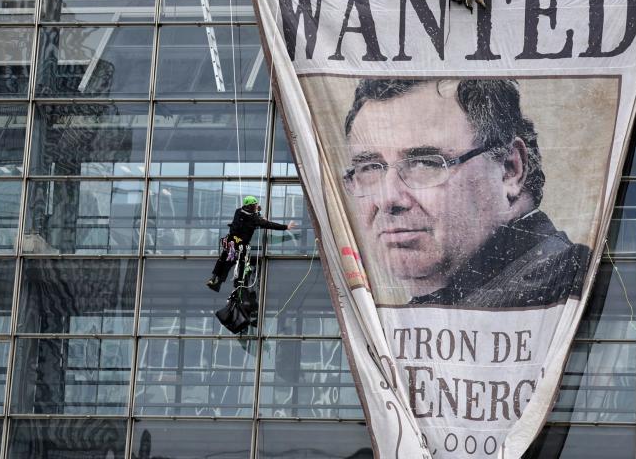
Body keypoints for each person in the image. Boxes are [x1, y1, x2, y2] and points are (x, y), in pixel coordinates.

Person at [341, 78, 589, 308]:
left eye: (425, 162)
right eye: (370, 168)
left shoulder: (576, 285)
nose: (387, 199)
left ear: (510, 169)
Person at [206, 195, 295, 292]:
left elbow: (246, 218)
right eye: (255, 205)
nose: (256, 206)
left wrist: (257, 212)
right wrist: (286, 227)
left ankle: (214, 278)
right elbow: (269, 224)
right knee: (242, 264)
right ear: (251, 206)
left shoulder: (238, 211)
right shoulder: (254, 219)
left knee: (223, 260)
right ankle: (237, 283)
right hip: (240, 245)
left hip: (230, 242)